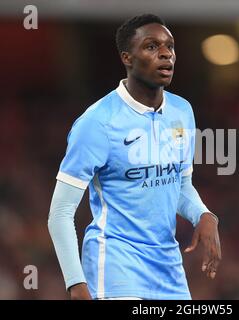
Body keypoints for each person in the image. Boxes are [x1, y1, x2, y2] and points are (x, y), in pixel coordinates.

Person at [48, 13, 221, 300]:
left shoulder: (182, 112)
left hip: (169, 269)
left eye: (170, 46)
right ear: (127, 58)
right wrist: (76, 284)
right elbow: (60, 213)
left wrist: (203, 214)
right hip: (116, 265)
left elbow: (179, 184)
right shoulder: (97, 122)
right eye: (152, 47)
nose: (165, 54)